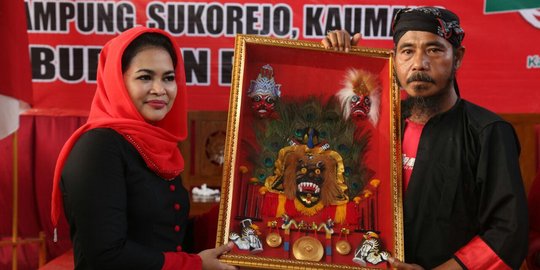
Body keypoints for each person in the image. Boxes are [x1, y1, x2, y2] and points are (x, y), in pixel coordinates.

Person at [322, 7, 528, 269]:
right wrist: (333, 59)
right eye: (407, 51)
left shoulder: (487, 132)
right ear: (394, 59)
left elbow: (508, 232)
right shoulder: (376, 125)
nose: (419, 63)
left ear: (458, 57)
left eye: (434, 50)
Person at [50, 26, 236, 270]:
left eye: (168, 78)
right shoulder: (98, 148)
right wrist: (195, 265)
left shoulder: (159, 145)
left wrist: (232, 213)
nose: (160, 89)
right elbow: (106, 255)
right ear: (117, 81)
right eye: (145, 77)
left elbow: (167, 236)